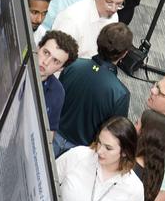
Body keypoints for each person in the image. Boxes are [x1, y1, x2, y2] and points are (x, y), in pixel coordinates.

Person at [56, 23, 134, 154]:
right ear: (125, 53)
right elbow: (114, 133)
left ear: (98, 41)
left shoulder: (73, 64)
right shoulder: (120, 93)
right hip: (81, 153)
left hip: (51, 135)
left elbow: (56, 99)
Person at [53, 0, 129, 60]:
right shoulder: (73, 20)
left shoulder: (113, 15)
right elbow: (57, 59)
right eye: (109, 2)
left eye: (119, 4)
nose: (113, 9)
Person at [36, 30, 79, 133]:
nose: (46, 62)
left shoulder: (57, 92)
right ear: (38, 48)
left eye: (56, 61)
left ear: (61, 68)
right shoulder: (13, 64)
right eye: (46, 53)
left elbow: (49, 132)